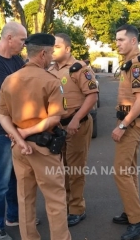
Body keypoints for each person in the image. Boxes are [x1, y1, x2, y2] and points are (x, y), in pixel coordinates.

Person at [0, 33, 72, 240]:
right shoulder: (51, 81)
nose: (51, 57)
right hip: (43, 149)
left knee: (25, 199)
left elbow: (1, 114)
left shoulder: (9, 80)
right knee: (55, 200)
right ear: (42, 53)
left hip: (19, 150)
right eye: (50, 53)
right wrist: (26, 133)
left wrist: (19, 138)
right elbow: (54, 118)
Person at [0, 21, 34, 240]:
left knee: (14, 178)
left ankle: (13, 216)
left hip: (15, 128)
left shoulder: (17, 60)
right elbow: (10, 95)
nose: (24, 44)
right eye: (22, 40)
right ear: (9, 38)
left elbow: (26, 86)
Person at [48, 33, 98, 226]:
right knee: (61, 169)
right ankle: (66, 204)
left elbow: (92, 95)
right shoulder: (51, 70)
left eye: (57, 47)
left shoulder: (80, 69)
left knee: (75, 169)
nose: (53, 50)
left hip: (77, 125)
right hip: (58, 127)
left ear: (67, 49)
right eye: (51, 47)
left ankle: (77, 209)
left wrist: (76, 119)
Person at [111, 24, 140, 240]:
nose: (117, 43)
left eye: (121, 40)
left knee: (120, 172)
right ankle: (131, 212)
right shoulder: (130, 64)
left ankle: (138, 221)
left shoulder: (138, 66)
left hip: (131, 125)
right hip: (132, 123)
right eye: (116, 40)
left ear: (133, 41)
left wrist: (122, 126)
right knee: (129, 170)